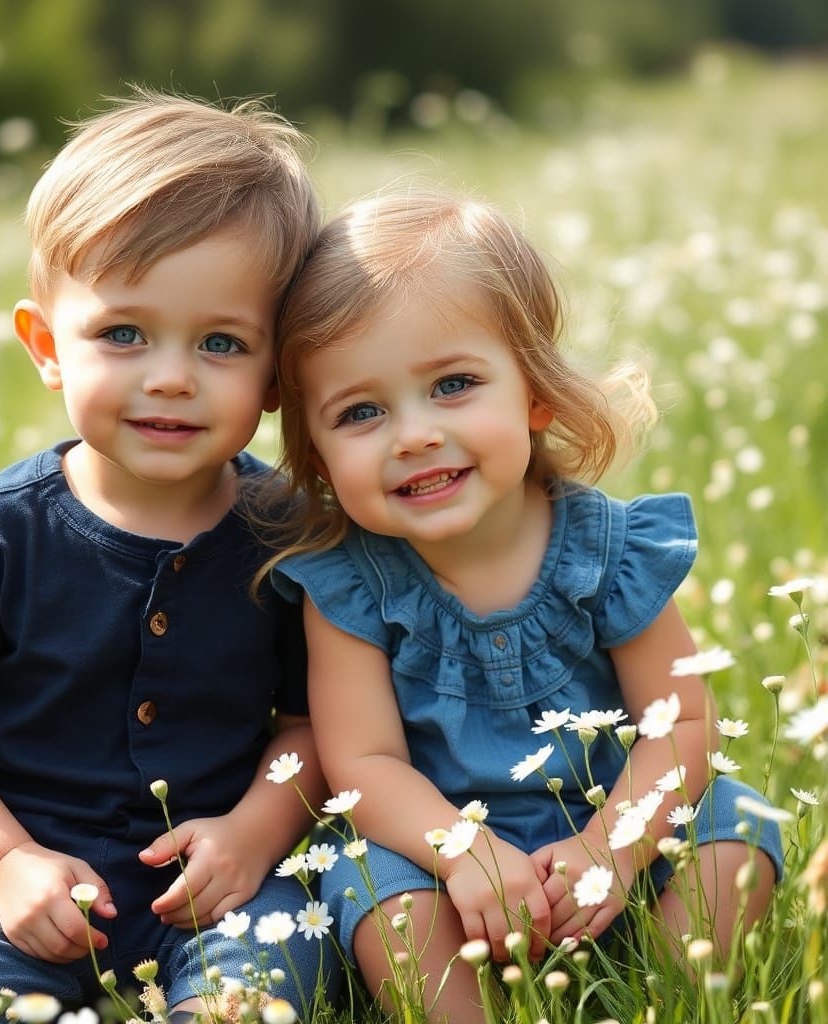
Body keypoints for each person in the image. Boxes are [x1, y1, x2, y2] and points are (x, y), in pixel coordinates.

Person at [0, 88, 330, 1022]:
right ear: (46, 345)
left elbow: (311, 724)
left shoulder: (289, 534)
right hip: (10, 888)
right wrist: (3, 861)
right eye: (123, 332)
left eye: (221, 343)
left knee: (274, 987)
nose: (169, 375)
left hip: (220, 888)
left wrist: (253, 833)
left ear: (279, 373)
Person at [265, 189, 783, 1022]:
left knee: (733, 830)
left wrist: (613, 848)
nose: (414, 434)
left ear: (535, 394)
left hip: (618, 833)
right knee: (384, 905)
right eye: (360, 412)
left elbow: (682, 724)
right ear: (317, 455)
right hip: (441, 859)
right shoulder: (349, 584)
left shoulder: (606, 550)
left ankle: (671, 996)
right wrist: (462, 849)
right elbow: (364, 766)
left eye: (454, 384)